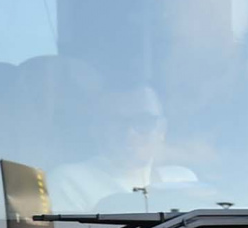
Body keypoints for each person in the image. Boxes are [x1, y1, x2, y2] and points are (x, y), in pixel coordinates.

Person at [46, 83, 196, 212]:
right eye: (117, 122)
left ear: (162, 129)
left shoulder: (182, 180)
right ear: (97, 129)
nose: (129, 133)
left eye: (144, 121)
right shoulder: (69, 182)